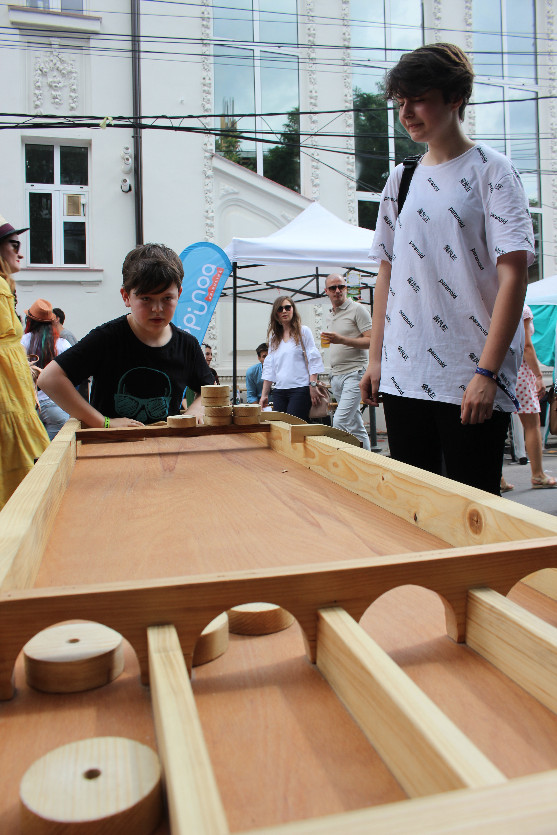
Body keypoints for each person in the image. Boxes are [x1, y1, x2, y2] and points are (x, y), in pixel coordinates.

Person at [359, 43, 535, 495]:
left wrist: (488, 374)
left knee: (472, 513)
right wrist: (376, 359)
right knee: (414, 513)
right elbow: (386, 274)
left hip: (469, 376)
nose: (406, 112)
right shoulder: (401, 179)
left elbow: (514, 276)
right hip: (403, 372)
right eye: (400, 101)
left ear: (455, 97)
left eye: (417, 98)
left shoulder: (494, 172)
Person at [38, 243, 215, 428]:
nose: (157, 308)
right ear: (125, 296)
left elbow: (208, 390)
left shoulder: (188, 345)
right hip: (111, 449)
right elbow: (49, 379)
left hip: (166, 450)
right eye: (146, 298)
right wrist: (104, 422)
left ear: (179, 294)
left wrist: (196, 409)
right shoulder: (106, 339)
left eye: (167, 298)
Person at [0, 216, 49, 509]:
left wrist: (25, 368)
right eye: (14, 244)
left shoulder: (5, 286)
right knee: (25, 485)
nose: (20, 252)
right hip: (9, 404)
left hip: (15, 400)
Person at [322, 274, 372, 449]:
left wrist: (342, 340)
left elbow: (372, 341)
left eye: (341, 287)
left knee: (339, 422)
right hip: (336, 376)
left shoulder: (358, 309)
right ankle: (369, 462)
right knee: (355, 426)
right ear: (326, 291)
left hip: (355, 373)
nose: (338, 291)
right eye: (333, 288)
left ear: (346, 289)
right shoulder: (330, 315)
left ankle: (342, 462)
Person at [511, 304, 556, 489]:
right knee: (531, 423)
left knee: (497, 423)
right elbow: (527, 346)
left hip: (498, 368)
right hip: (520, 371)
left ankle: (499, 479)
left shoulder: (490, 303)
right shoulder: (522, 309)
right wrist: (538, 376)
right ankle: (537, 475)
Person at [260, 296, 324, 421]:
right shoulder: (274, 337)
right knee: (281, 428)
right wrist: (264, 394)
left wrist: (313, 385)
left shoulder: (303, 331)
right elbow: (269, 368)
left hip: (300, 389)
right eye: (280, 309)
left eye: (287, 307)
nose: (284, 311)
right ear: (276, 314)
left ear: (293, 310)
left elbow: (313, 359)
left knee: (294, 428)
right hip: (279, 391)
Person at [21, 299, 71, 440]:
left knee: (34, 456)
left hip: (29, 405)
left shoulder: (22, 342)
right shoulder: (63, 344)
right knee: (52, 453)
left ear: (29, 321)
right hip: (57, 405)